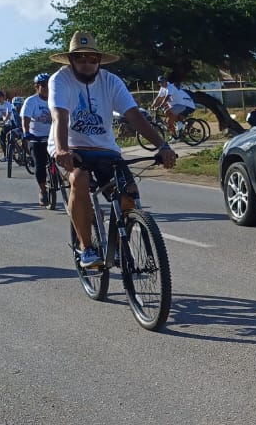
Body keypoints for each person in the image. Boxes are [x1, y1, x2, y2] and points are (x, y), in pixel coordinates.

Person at [47, 31, 176, 269]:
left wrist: (163, 146)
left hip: (105, 150)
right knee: (80, 179)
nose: (87, 64)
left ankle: (118, 241)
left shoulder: (111, 81)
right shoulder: (60, 80)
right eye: (80, 59)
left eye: (92, 59)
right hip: (71, 148)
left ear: (99, 60)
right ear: (71, 61)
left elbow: (134, 115)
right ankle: (86, 248)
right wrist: (62, 150)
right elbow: (60, 116)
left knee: (128, 194)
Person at [21, 73, 54, 206]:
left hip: (53, 137)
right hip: (36, 138)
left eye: (49, 86)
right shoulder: (31, 101)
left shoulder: (56, 99)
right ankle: (42, 190)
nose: (47, 88)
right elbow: (25, 119)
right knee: (40, 164)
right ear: (37, 87)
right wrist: (26, 132)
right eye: (44, 86)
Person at [148, 74, 197, 142]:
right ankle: (174, 137)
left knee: (167, 112)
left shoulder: (170, 87)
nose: (161, 83)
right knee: (168, 122)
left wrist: (161, 105)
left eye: (162, 81)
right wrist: (153, 105)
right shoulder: (162, 88)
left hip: (180, 104)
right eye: (160, 82)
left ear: (165, 81)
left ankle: (179, 123)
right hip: (174, 105)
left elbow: (166, 97)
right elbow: (158, 97)